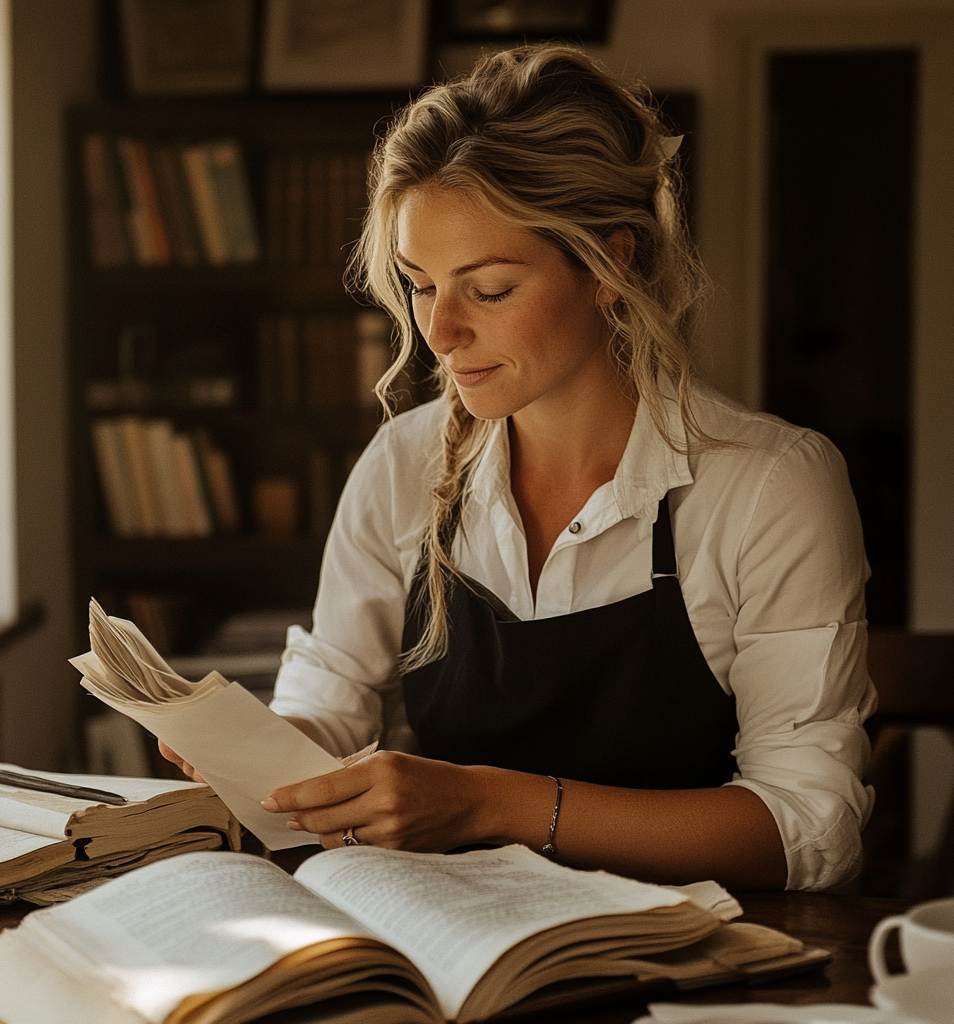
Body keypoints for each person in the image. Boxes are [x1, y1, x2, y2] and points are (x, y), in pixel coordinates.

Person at [162, 44, 875, 892]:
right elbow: (332, 697)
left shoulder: (768, 487)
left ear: (616, 262)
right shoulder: (402, 463)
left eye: (489, 289)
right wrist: (271, 755)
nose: (441, 332)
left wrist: (493, 805)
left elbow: (810, 829)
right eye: (420, 285)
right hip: (451, 942)